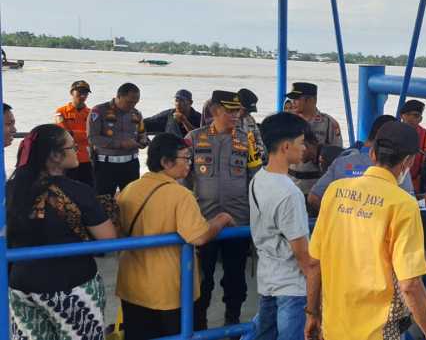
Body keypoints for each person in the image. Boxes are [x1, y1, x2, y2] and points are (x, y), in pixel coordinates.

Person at [308, 121, 426, 340]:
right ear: (408, 161)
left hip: (332, 329)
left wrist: (311, 312)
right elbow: (410, 285)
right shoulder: (403, 205)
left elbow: (314, 262)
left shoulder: (334, 192)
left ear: (372, 154)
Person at [116, 133, 233, 340]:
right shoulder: (180, 194)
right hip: (167, 291)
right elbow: (199, 236)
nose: (190, 163)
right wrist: (221, 219)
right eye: (186, 158)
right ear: (166, 162)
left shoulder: (129, 189)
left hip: (131, 285)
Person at [6, 124, 117, 340]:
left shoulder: (10, 191)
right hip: (71, 286)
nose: (77, 150)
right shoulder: (79, 192)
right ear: (55, 156)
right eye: (72, 147)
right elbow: (108, 239)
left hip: (21, 285)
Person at [186, 90, 263, 329]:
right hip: (203, 223)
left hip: (237, 224)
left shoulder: (247, 140)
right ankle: (199, 325)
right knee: (202, 280)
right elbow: (181, 179)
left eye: (237, 110)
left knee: (235, 280)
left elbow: (256, 179)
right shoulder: (193, 139)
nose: (235, 115)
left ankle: (232, 323)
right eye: (230, 110)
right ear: (215, 110)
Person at [251, 113, 320, 340]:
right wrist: (313, 310)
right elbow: (305, 260)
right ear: (286, 146)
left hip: (268, 280)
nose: (304, 149)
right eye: (301, 143)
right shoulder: (289, 193)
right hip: (292, 288)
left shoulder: (258, 179)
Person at [307, 115, 414, 215]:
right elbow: (408, 206)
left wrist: (336, 217)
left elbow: (313, 197)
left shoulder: (341, 162)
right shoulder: (397, 168)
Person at [88, 83, 149, 196]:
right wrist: (120, 144)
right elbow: (93, 138)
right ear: (119, 96)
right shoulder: (99, 111)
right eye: (129, 102)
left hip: (131, 164)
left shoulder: (136, 114)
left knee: (132, 200)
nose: (132, 105)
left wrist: (143, 141)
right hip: (106, 165)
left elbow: (142, 133)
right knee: (104, 201)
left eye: (136, 102)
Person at [287, 82, 343, 195]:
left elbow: (338, 158)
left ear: (311, 100)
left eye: (297, 99)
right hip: (289, 187)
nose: (293, 102)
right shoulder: (287, 121)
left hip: (315, 189)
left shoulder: (328, 124)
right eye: (292, 99)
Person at [55, 80, 94, 186]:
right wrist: (82, 134)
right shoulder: (61, 111)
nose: (82, 95)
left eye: (85, 93)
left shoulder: (92, 113)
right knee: (67, 189)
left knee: (88, 189)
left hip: (87, 158)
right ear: (72, 92)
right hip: (68, 158)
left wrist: (72, 133)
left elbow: (92, 135)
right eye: (79, 92)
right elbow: (63, 133)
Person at [400, 99, 426, 191]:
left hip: (415, 188)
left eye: (415, 116)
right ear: (402, 116)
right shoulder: (390, 134)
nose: (411, 118)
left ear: (420, 119)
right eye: (408, 114)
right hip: (392, 184)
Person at [237, 88, 267, 163]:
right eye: (246, 110)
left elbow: (258, 139)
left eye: (249, 111)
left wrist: (259, 156)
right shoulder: (228, 121)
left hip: (253, 161)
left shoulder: (250, 119)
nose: (247, 114)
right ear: (238, 105)